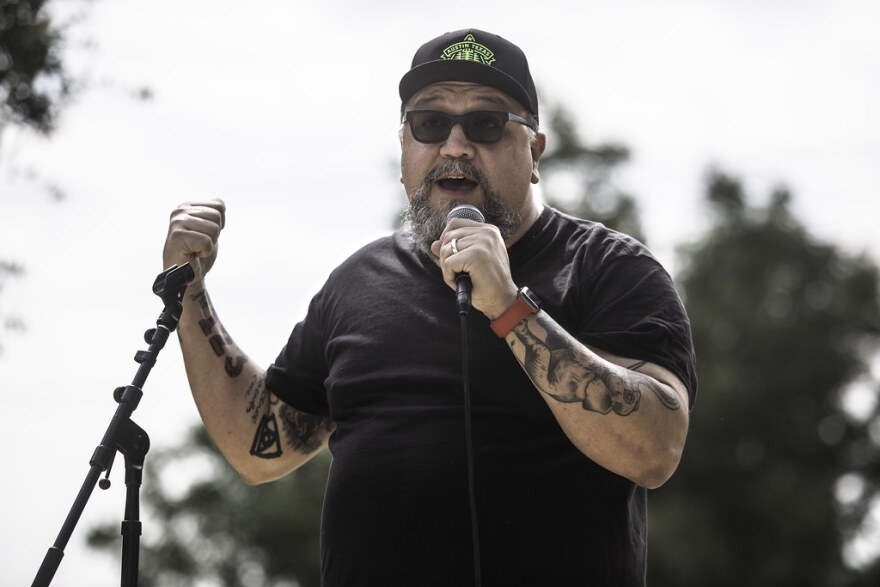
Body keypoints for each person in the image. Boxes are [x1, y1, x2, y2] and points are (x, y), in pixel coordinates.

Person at [163, 28, 697, 586]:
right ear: (404, 150)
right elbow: (258, 448)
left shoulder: (608, 268)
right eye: (430, 123)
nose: (456, 146)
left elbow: (656, 449)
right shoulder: (357, 283)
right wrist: (188, 290)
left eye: (487, 124)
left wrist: (509, 308)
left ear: (534, 152)